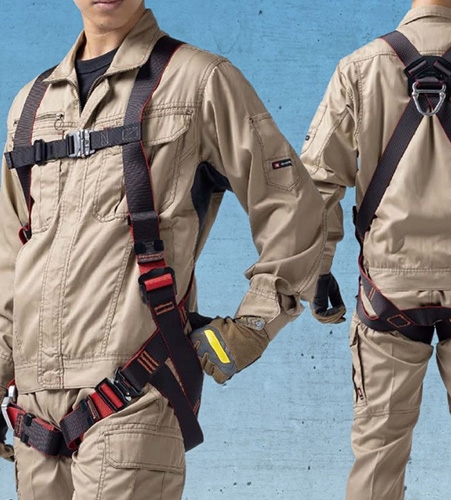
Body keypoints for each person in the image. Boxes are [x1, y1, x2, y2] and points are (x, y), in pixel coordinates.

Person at [0, 1, 326, 498]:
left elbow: (291, 204)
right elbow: (10, 257)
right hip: (34, 418)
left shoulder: (198, 80)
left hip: (132, 397)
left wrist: (255, 324)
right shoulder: (31, 106)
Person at [303, 0, 451, 498]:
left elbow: (317, 185)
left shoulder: (357, 69)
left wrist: (318, 273)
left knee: (377, 454)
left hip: (386, 291)